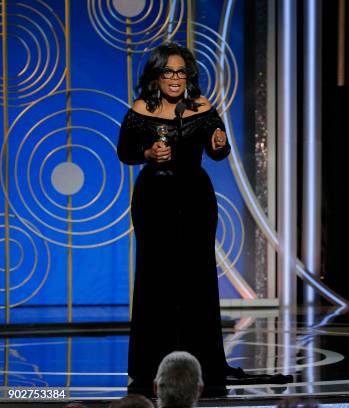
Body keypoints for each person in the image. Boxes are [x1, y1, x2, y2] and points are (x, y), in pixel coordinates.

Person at [117, 42, 234, 397]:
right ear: (157, 75)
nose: (175, 78)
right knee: (157, 277)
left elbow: (219, 151)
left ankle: (203, 362)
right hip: (154, 200)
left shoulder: (202, 107)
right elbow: (124, 151)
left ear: (189, 76)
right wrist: (149, 152)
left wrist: (218, 139)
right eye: (168, 71)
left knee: (196, 277)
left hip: (195, 201)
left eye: (181, 72)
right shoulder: (140, 109)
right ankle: (151, 363)